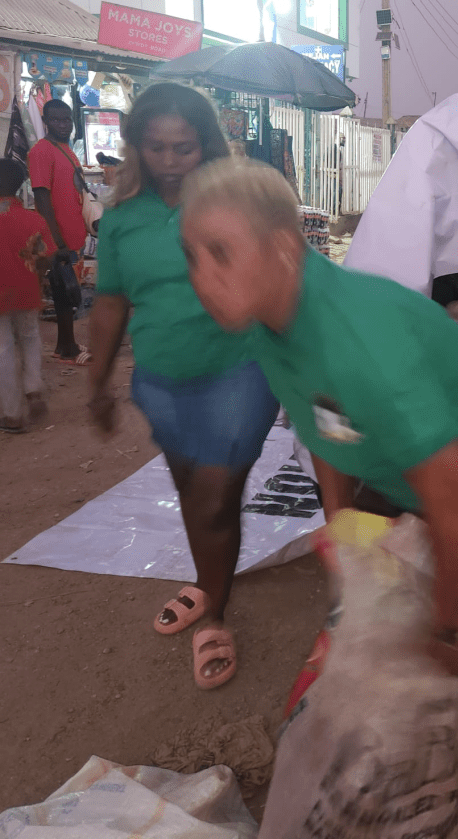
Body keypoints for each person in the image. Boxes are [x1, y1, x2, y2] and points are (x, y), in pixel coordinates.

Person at [181, 159, 458, 839]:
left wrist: (449, 626)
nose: (201, 278)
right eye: (191, 256)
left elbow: (456, 499)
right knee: (373, 617)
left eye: (220, 253)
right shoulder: (268, 324)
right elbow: (325, 425)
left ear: (284, 248)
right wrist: (344, 529)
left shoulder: (358, 338)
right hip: (424, 471)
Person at [87, 83, 279, 690]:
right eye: (157, 147)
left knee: (217, 497)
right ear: (137, 147)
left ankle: (216, 616)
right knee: (192, 491)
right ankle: (207, 582)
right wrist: (96, 381)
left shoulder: (239, 203)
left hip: (239, 369)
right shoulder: (120, 220)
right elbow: (112, 301)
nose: (170, 161)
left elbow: (284, 280)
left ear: (208, 146)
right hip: (162, 380)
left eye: (185, 148)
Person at [28, 98, 91, 365]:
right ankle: (68, 349)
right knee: (63, 291)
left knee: (66, 291)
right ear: (45, 122)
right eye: (56, 120)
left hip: (72, 234)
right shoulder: (41, 151)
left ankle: (65, 344)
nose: (63, 124)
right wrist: (57, 240)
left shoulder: (65, 148)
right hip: (59, 237)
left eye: (67, 119)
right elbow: (42, 198)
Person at [0, 159, 55, 433]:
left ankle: (11, 415)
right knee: (31, 338)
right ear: (21, 184)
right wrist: (37, 275)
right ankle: (33, 389)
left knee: (3, 349)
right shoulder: (34, 219)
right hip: (27, 288)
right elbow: (48, 255)